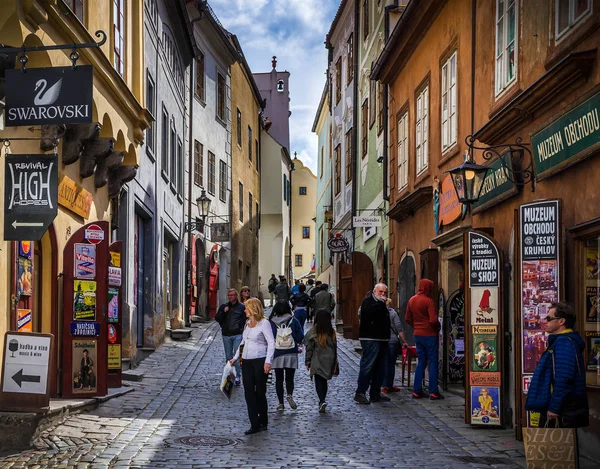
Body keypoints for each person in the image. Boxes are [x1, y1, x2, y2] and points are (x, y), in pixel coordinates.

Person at [525, 302, 589, 428]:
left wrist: (554, 408)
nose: (545, 321)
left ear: (561, 321)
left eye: (548, 318)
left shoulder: (564, 343)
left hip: (563, 411)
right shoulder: (560, 342)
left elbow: (564, 379)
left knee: (554, 446)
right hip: (561, 407)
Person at [230, 298, 275, 435]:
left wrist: (268, 361)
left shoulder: (264, 323)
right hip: (247, 361)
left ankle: (263, 421)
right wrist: (235, 357)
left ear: (253, 309)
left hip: (260, 360)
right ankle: (254, 424)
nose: (244, 310)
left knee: (260, 392)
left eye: (246, 308)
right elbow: (244, 342)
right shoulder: (247, 323)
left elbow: (271, 343)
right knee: (249, 392)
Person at [354, 283, 391, 405]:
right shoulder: (368, 302)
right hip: (370, 338)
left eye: (385, 292)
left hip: (382, 339)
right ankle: (360, 393)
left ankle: (375, 393)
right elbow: (373, 313)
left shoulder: (381, 303)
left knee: (380, 368)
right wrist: (383, 304)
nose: (383, 295)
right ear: (375, 292)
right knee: (368, 366)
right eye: (381, 292)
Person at [406, 279, 442, 400]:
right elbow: (433, 320)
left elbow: (407, 318)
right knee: (432, 362)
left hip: (418, 334)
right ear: (428, 288)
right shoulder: (428, 301)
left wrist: (416, 326)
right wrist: (438, 327)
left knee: (421, 361)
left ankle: (417, 390)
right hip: (429, 334)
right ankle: (433, 392)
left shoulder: (412, 300)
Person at [269, 300, 304, 411]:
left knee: (279, 379)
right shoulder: (293, 321)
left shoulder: (271, 322)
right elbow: (300, 336)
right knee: (290, 378)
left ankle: (280, 403)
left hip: (277, 352)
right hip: (291, 352)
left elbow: (270, 337)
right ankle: (289, 394)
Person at [304, 308, 338, 413]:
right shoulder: (331, 331)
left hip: (317, 359)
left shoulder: (313, 331)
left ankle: (321, 400)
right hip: (329, 359)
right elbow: (335, 346)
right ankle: (322, 400)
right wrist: (335, 360)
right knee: (324, 381)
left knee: (318, 381)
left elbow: (309, 348)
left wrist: (308, 361)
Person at [215, 289, 246, 386]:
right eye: (229, 295)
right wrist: (224, 313)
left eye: (232, 295)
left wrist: (240, 328)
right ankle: (230, 375)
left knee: (236, 355)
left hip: (237, 334)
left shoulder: (241, 307)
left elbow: (244, 319)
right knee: (228, 356)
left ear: (236, 296)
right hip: (226, 335)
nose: (230, 297)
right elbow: (217, 318)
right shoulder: (224, 307)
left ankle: (238, 376)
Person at [382, 298, 408, 393]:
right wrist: (404, 341)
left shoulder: (379, 313)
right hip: (392, 341)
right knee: (391, 364)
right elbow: (399, 328)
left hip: (382, 341)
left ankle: (384, 385)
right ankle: (389, 385)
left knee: (384, 363)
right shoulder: (393, 313)